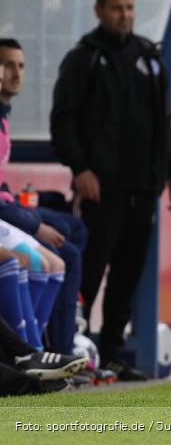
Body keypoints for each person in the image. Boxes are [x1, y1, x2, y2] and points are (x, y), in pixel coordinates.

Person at [50, 0, 171, 380]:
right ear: (98, 11)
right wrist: (81, 170)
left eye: (129, 7)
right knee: (89, 272)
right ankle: (74, 350)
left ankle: (110, 354)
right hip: (100, 188)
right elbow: (63, 121)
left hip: (143, 188)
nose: (124, 15)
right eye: (115, 8)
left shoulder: (149, 57)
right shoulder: (84, 58)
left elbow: (164, 121)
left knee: (127, 274)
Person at [0, 38, 88, 357]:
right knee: (57, 256)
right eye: (8, 65)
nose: (15, 73)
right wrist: (33, 224)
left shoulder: (3, 116)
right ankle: (39, 351)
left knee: (74, 231)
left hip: (6, 206)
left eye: (20, 66)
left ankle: (47, 346)